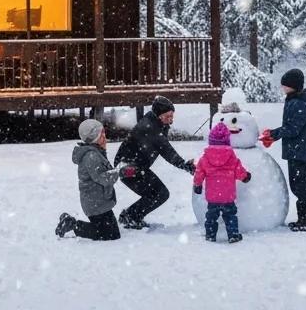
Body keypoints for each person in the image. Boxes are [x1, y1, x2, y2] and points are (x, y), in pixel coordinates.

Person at [113, 95, 195, 229]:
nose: (171, 120)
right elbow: (167, 151)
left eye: (172, 116)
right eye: (168, 116)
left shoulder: (156, 123)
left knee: (156, 193)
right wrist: (185, 165)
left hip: (136, 167)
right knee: (160, 193)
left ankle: (131, 216)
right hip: (129, 169)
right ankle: (131, 216)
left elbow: (163, 145)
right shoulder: (150, 128)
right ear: (159, 115)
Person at [260, 68, 306, 232]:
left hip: (300, 151)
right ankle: (303, 220)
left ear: (293, 86)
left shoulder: (299, 103)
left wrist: (274, 134)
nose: (283, 87)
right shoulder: (295, 100)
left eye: (285, 85)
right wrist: (274, 135)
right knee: (297, 184)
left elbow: (293, 128)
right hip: (297, 150)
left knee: (300, 185)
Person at [56, 118, 130, 241]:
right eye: (102, 135)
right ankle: (72, 224)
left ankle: (69, 221)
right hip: (95, 203)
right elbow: (103, 177)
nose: (105, 138)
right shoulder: (92, 156)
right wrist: (120, 172)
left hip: (98, 201)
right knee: (110, 235)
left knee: (110, 232)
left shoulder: (96, 152)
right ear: (94, 138)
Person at [193, 121, 251, 243]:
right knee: (230, 215)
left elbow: (199, 172)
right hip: (228, 195)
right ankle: (233, 234)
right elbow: (238, 169)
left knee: (211, 217)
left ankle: (210, 235)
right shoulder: (231, 156)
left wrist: (197, 185)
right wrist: (245, 177)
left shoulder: (205, 157)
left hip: (213, 196)